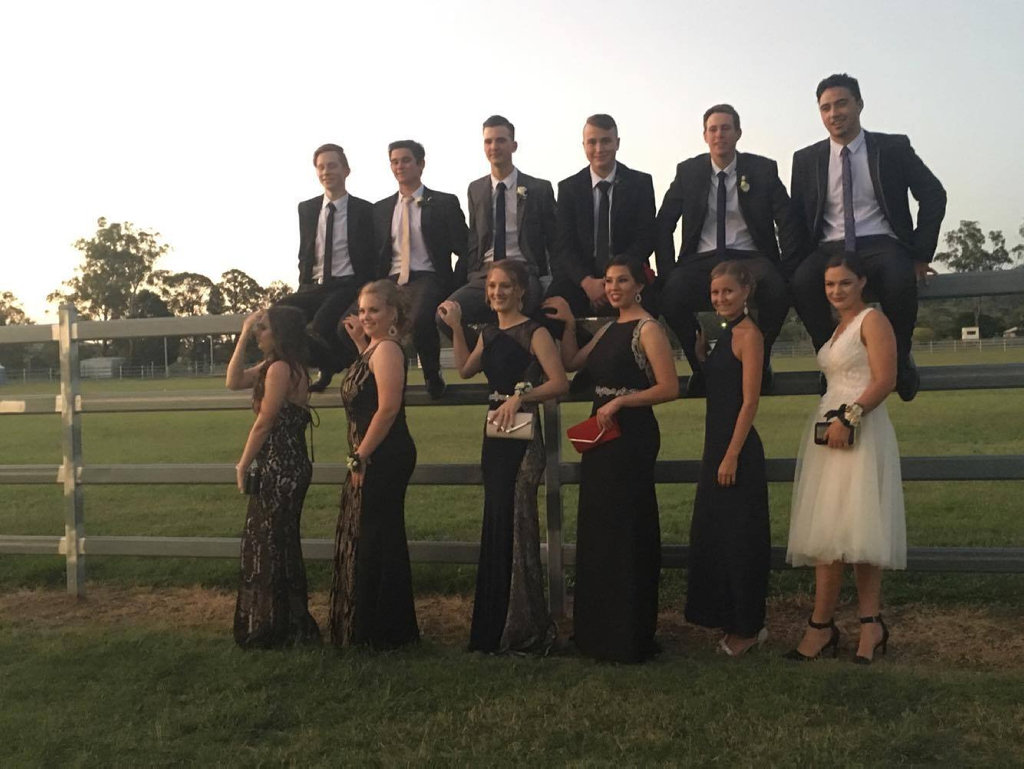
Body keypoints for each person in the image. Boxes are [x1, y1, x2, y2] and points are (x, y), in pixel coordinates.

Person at [546, 255, 679, 663]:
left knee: (627, 528)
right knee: (599, 528)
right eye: (608, 281)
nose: (613, 288)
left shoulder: (648, 329)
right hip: (601, 434)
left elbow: (669, 387)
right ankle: (596, 631)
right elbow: (572, 363)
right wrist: (570, 325)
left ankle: (627, 633)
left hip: (632, 436)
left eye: (622, 280)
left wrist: (622, 401)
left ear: (639, 285)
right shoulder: (607, 328)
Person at [788, 73, 947, 401]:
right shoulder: (806, 159)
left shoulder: (892, 148)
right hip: (829, 246)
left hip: (880, 241)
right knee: (801, 282)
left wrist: (920, 253)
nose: (834, 113)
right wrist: (797, 261)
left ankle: (899, 360)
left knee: (899, 278)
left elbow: (933, 194)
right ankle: (833, 362)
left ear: (859, 104)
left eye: (841, 104)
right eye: (826, 108)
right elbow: (799, 217)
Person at [439, 260, 567, 654]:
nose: (497, 293)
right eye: (492, 286)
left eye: (505, 286)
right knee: (496, 519)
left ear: (521, 291)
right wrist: (457, 327)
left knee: (518, 521)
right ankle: (493, 624)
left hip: (523, 435)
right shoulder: (489, 332)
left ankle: (523, 625)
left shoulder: (535, 332)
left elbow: (559, 383)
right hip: (494, 434)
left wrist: (521, 398)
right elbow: (465, 370)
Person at [785, 253, 906, 664]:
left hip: (861, 427)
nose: (836, 291)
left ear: (862, 282)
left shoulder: (872, 321)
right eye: (830, 284)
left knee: (862, 527)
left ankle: (870, 624)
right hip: (828, 431)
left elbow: (885, 379)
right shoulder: (838, 328)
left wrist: (850, 417)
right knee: (829, 528)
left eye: (844, 283)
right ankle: (821, 625)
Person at [655, 104, 797, 397]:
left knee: (777, 288)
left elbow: (787, 219)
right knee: (670, 294)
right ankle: (702, 366)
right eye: (713, 129)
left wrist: (786, 266)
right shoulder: (688, 172)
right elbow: (664, 222)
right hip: (701, 258)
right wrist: (668, 272)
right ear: (705, 136)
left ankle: (759, 361)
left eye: (726, 128)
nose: (719, 134)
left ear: (738, 133)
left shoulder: (762, 169)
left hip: (749, 257)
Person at [683, 261, 770, 656]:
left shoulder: (749, 335)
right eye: (715, 292)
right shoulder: (726, 333)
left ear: (746, 291)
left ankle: (748, 628)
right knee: (716, 536)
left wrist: (732, 455)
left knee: (740, 541)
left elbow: (749, 401)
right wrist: (703, 357)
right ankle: (728, 617)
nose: (720, 298)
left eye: (728, 291)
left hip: (737, 450)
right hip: (715, 446)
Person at [328, 280, 419, 648]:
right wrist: (359, 344)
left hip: (384, 454)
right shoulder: (373, 349)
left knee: (378, 538)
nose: (365, 317)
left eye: (374, 310)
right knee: (372, 536)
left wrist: (360, 456)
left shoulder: (388, 350)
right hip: (372, 452)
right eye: (362, 310)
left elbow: (388, 408)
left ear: (393, 313)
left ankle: (383, 630)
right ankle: (374, 625)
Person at [226, 305, 320, 649]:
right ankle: (283, 621)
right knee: (277, 543)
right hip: (286, 464)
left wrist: (242, 463)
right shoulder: (276, 366)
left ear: (279, 333)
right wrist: (242, 335)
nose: (258, 334)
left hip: (282, 466)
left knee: (270, 542)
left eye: (262, 328)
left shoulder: (280, 369)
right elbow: (233, 381)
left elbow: (266, 421)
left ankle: (277, 626)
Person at [437, 115, 557, 349]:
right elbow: (475, 238)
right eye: (488, 141)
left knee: (528, 312)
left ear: (514, 145)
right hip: (485, 274)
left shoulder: (539, 188)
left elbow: (553, 239)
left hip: (523, 272)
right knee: (444, 314)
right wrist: (472, 273)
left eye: (501, 140)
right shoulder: (476, 189)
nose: (494, 147)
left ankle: (518, 365)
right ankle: (487, 354)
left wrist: (550, 278)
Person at [276, 144, 378, 392]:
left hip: (347, 284)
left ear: (346, 170)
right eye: (321, 167)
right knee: (278, 316)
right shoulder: (307, 209)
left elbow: (373, 253)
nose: (326, 171)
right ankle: (331, 364)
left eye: (332, 166)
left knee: (321, 326)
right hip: (314, 285)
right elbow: (305, 251)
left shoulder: (365, 210)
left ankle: (334, 367)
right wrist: (303, 285)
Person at [373, 140, 469, 399]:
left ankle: (432, 373)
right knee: (362, 319)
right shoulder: (380, 209)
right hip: (391, 279)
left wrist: (455, 285)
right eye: (394, 162)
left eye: (406, 160)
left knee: (418, 319)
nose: (399, 166)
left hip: (428, 276)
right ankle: (377, 378)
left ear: (421, 164)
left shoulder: (444, 203)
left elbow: (465, 247)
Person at [544, 114, 657, 324]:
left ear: (617, 143)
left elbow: (646, 237)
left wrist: (613, 281)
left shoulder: (639, 183)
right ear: (584, 145)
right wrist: (587, 282)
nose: (599, 148)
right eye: (592, 142)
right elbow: (564, 244)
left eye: (605, 141)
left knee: (657, 303)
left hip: (627, 273)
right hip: (581, 277)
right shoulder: (569, 188)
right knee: (549, 311)